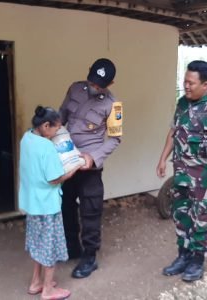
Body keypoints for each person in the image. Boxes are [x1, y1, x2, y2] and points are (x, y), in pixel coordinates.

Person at [156, 60, 207, 282]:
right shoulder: (182, 103)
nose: (186, 86)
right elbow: (173, 133)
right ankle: (183, 256)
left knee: (201, 218)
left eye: (191, 83)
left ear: (205, 84)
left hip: (204, 177)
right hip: (181, 174)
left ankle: (197, 260)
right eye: (185, 82)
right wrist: (162, 159)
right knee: (181, 215)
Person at [59, 58, 123, 279]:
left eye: (100, 84)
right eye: (93, 80)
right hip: (67, 160)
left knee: (91, 210)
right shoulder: (75, 88)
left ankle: (89, 257)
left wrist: (93, 158)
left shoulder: (113, 106)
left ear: (111, 82)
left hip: (90, 167)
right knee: (64, 204)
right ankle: (71, 247)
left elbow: (115, 139)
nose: (95, 86)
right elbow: (61, 118)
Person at [19, 106, 78, 299]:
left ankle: (36, 282)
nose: (56, 133)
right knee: (50, 247)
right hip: (46, 205)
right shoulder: (46, 146)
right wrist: (75, 167)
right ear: (46, 126)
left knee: (38, 244)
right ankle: (48, 290)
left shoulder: (27, 138)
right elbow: (54, 178)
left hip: (31, 202)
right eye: (55, 129)